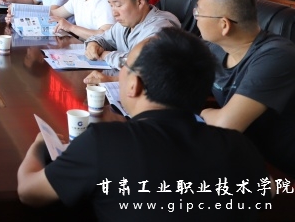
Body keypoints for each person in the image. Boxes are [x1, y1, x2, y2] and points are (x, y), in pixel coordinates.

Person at [17, 28, 270, 221]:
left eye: (125, 66)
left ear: (133, 85)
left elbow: (29, 192)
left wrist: (40, 145)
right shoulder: (241, 148)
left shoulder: (104, 142)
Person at [198, 0, 295, 177]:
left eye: (199, 12)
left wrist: (202, 112)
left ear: (224, 25)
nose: (195, 18)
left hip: (280, 169)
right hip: (243, 152)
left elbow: (225, 125)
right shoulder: (215, 47)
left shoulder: (277, 56)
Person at [83, 0, 179, 77]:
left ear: (140, 2)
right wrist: (94, 44)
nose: (114, 13)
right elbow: (104, 37)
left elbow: (141, 64)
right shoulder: (125, 23)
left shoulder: (159, 28)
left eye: (118, 5)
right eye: (111, 5)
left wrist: (106, 55)